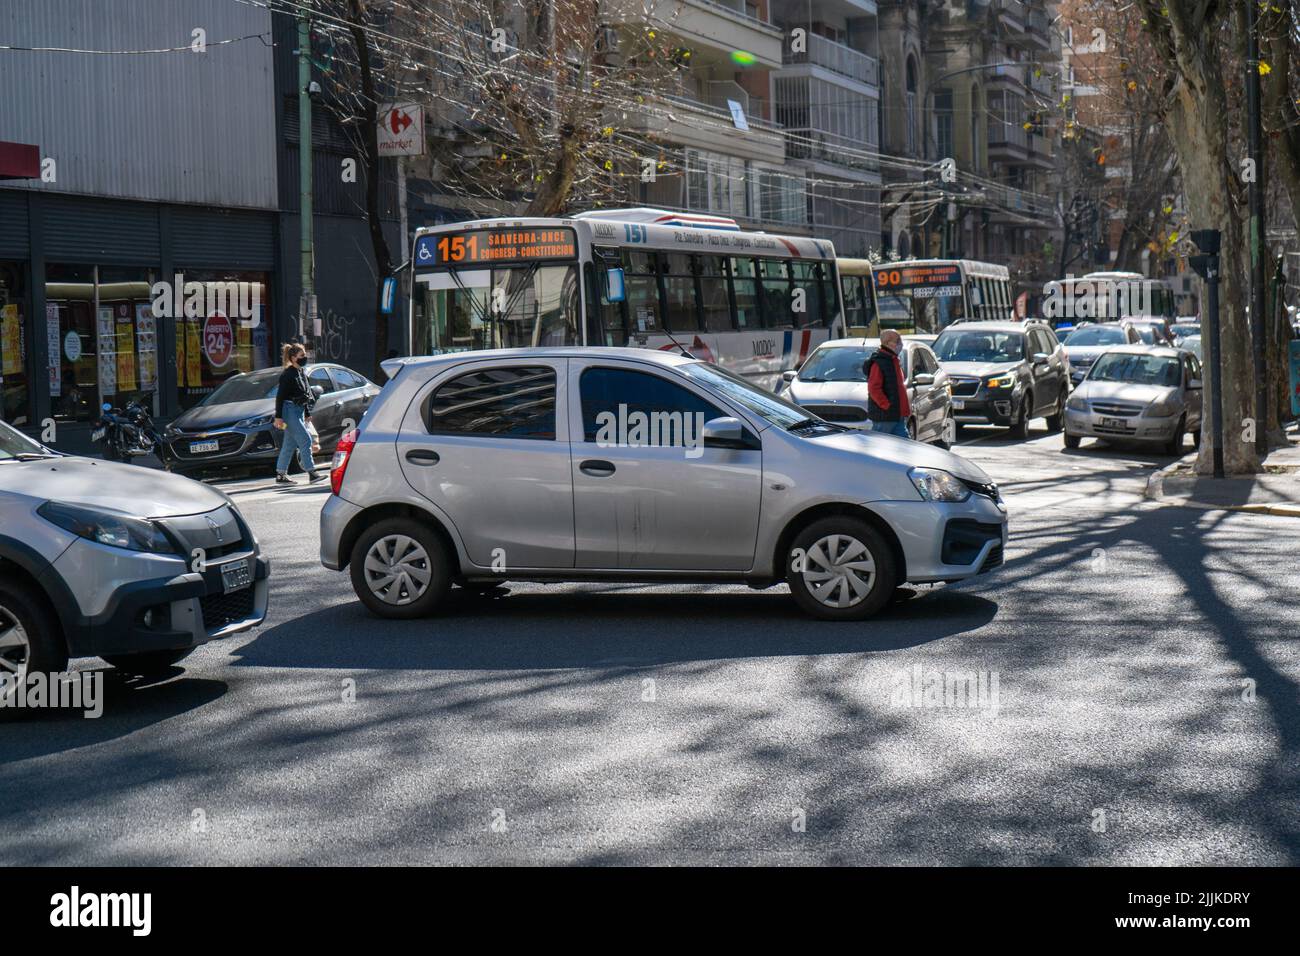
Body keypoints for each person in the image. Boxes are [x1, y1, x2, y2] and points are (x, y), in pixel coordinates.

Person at [274, 342, 324, 484]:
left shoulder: (301, 372)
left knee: (289, 444)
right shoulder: (287, 374)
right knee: (305, 440)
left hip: (299, 411)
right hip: (289, 411)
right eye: (302, 355)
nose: (305, 357)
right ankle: (312, 473)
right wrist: (278, 417)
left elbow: (306, 393)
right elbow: (280, 396)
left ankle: (280, 475)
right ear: (294, 357)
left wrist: (307, 412)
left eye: (304, 355)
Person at [865, 329, 912, 439]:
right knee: (880, 447)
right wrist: (887, 406)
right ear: (887, 343)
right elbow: (874, 388)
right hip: (885, 418)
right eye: (897, 341)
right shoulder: (880, 362)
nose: (900, 343)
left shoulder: (893, 360)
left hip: (897, 415)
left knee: (905, 446)